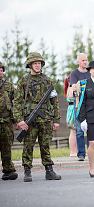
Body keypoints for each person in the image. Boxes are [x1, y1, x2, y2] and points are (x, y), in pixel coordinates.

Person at [13, 52, 61, 182]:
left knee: (45, 145)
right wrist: (19, 120)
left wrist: (56, 119)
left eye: (39, 63)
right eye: (35, 63)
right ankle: (27, 171)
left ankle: (49, 170)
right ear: (30, 65)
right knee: (28, 145)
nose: (38, 65)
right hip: (30, 120)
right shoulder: (24, 81)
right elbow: (16, 102)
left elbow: (54, 101)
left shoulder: (47, 80)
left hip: (45, 119)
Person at [70, 53, 90, 161]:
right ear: (78, 61)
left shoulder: (90, 73)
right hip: (78, 105)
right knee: (79, 130)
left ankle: (92, 153)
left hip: (90, 104)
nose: (85, 62)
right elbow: (74, 87)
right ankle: (81, 154)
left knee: (91, 130)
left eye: (86, 60)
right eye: (83, 60)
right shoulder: (74, 73)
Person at [0, 62, 18, 181]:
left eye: (1, 70)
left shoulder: (9, 86)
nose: (0, 72)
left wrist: (17, 120)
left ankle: (8, 170)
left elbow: (16, 102)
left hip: (6, 122)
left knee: (6, 146)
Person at [64, 72, 77, 157]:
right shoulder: (71, 88)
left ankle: (74, 151)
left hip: (71, 109)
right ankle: (73, 151)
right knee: (73, 131)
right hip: (73, 110)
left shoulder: (68, 87)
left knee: (74, 132)